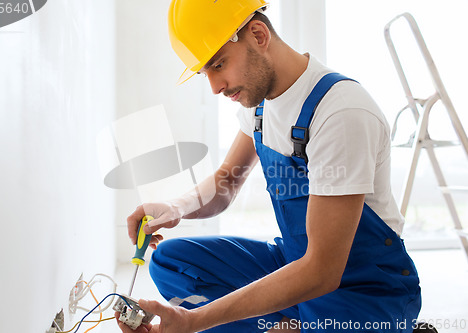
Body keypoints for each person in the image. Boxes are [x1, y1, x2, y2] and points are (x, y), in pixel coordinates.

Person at [117, 0, 421, 332]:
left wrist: (195, 321)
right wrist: (175, 207)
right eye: (206, 72)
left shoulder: (340, 113)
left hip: (363, 289)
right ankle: (290, 324)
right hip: (296, 262)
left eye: (219, 64)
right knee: (170, 262)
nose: (215, 87)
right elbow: (226, 182)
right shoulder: (260, 105)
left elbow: (322, 270)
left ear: (258, 35)